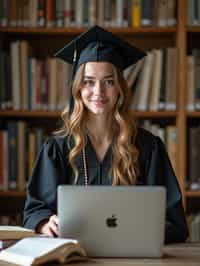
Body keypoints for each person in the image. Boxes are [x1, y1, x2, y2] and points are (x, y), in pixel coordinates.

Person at [23, 25, 188, 244]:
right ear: (78, 89)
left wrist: (139, 230)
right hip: (76, 256)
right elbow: (34, 211)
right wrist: (45, 223)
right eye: (89, 82)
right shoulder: (57, 149)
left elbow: (175, 223)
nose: (98, 92)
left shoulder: (148, 147)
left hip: (132, 257)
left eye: (108, 81)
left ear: (120, 88)